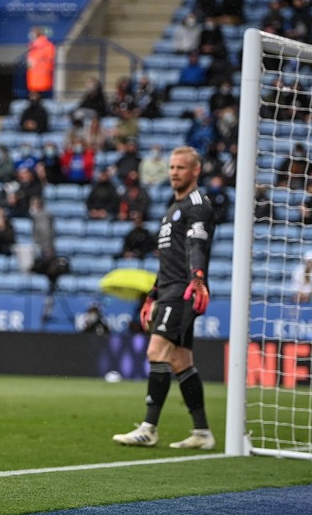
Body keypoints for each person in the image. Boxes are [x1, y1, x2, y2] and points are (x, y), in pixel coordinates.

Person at [113, 146, 216, 450]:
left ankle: (149, 427)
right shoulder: (175, 206)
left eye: (180, 168)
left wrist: (197, 277)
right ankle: (202, 432)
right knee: (181, 361)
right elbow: (168, 258)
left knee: (156, 352)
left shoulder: (198, 204)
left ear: (195, 171)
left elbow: (197, 243)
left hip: (183, 292)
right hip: (169, 290)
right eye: (171, 167)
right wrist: (152, 294)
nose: (173, 173)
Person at [26, 26, 55, 98]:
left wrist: (35, 62)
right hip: (36, 75)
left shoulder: (46, 45)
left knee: (43, 95)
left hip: (42, 74)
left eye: (34, 32)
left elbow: (48, 58)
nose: (32, 34)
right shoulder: (34, 44)